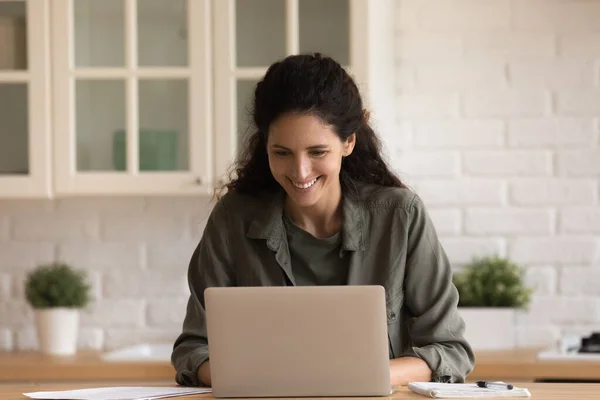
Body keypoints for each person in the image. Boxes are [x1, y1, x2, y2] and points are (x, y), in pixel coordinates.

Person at [171, 53, 474, 387]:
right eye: (282, 153)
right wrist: (261, 378)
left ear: (348, 142)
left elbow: (450, 350)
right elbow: (193, 350)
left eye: (317, 152)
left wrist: (360, 376)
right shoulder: (232, 220)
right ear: (265, 146)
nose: (300, 172)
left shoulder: (401, 217)